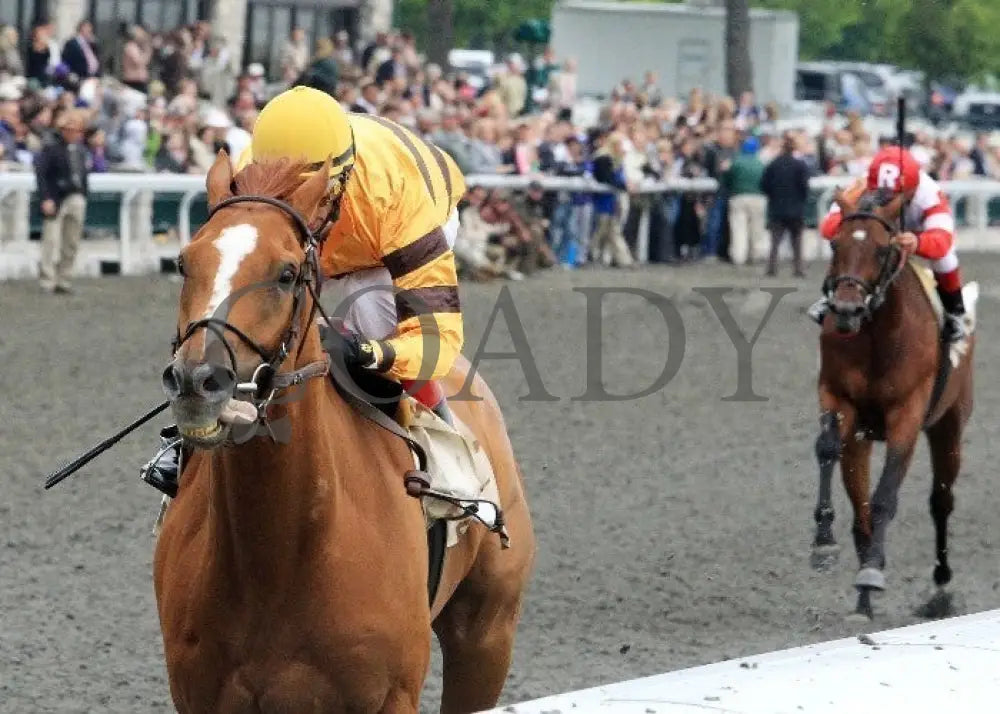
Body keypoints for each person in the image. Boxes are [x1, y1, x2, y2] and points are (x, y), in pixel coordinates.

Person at [144, 86, 466, 491]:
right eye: (290, 193)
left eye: (315, 193)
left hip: (383, 240)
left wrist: (368, 350)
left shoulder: (399, 200)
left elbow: (434, 342)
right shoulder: (253, 177)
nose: (303, 206)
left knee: (368, 326)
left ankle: (448, 464)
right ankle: (187, 445)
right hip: (314, 244)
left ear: (342, 178)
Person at [807, 146, 967, 344]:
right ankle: (830, 296)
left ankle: (954, 311)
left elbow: (942, 241)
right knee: (850, 243)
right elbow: (828, 229)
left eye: (895, 196)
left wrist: (918, 242)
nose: (888, 200)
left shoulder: (930, 194)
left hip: (918, 231)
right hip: (878, 235)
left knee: (945, 259)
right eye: (882, 195)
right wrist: (846, 214)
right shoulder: (861, 185)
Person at [35, 109, 89, 294]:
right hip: (56, 197)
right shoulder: (51, 149)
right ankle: (47, 280)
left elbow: (83, 175)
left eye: (76, 129)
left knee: (71, 241)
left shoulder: (81, 151)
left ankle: (64, 279)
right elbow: (42, 175)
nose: (73, 133)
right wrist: (46, 198)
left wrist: (83, 193)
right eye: (69, 129)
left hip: (76, 196)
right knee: (51, 240)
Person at [760, 133, 811, 277]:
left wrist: (773, 196)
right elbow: (804, 187)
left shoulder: (773, 164)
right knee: (797, 241)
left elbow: (764, 184)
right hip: (796, 208)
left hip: (777, 207)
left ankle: (772, 268)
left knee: (775, 241)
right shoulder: (800, 165)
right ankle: (798, 268)